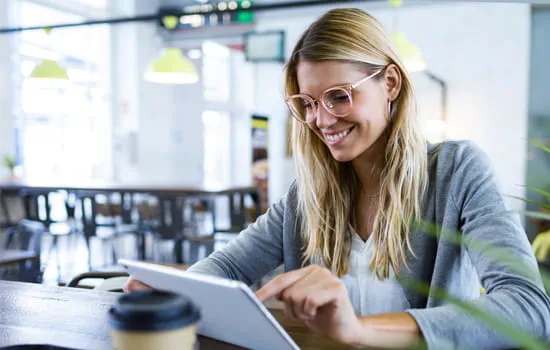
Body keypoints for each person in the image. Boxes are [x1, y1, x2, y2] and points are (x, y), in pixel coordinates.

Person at [125, 8, 550, 349]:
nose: (321, 119)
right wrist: (174, 295)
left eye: (339, 96)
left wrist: (360, 331)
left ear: (390, 82)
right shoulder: (304, 197)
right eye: (306, 102)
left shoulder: (456, 171)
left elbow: (529, 309)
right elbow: (229, 266)